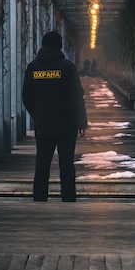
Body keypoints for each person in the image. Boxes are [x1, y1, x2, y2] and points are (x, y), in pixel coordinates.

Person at [22, 31, 88, 202]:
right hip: (67, 125)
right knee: (66, 165)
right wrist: (82, 122)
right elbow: (77, 97)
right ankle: (68, 198)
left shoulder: (33, 68)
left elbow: (26, 97)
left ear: (43, 45)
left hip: (43, 125)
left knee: (42, 163)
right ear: (59, 46)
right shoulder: (67, 68)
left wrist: (37, 114)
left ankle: (39, 198)